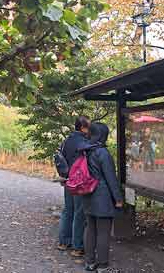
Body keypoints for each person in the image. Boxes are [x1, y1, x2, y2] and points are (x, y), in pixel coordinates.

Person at [81, 122, 123, 272]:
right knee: (103, 231)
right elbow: (111, 178)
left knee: (90, 228)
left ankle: (89, 262)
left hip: (87, 193)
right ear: (102, 135)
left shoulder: (84, 150)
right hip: (103, 197)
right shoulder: (102, 153)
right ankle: (103, 266)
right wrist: (118, 199)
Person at [58, 116, 90, 257]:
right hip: (79, 182)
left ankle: (64, 242)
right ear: (83, 127)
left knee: (68, 210)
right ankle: (77, 247)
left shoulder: (67, 140)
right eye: (89, 127)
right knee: (79, 213)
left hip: (67, 180)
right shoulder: (84, 142)